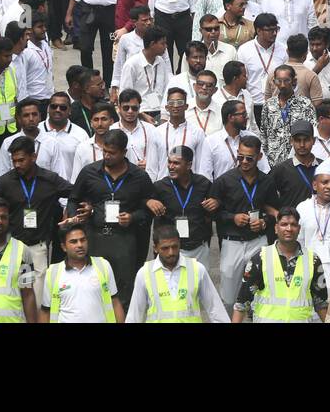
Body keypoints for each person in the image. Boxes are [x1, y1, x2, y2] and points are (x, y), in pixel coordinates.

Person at [66, 128, 154, 310]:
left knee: (124, 291)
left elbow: (148, 210)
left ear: (124, 152)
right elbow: (74, 199)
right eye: (104, 151)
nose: (107, 156)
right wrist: (78, 216)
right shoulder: (89, 172)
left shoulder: (140, 177)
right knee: (94, 286)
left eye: (112, 153)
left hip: (124, 240)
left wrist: (132, 217)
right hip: (95, 237)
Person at [0, 133, 72, 290]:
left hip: (38, 247)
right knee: (10, 290)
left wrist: (76, 210)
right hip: (11, 245)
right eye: (14, 161)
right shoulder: (5, 182)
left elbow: (74, 192)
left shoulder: (49, 179)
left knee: (38, 294)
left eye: (21, 160)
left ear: (33, 157)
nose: (17, 165)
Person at [210, 134, 274, 307]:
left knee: (260, 293)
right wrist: (233, 218)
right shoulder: (224, 181)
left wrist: (264, 222)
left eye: (249, 158)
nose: (244, 161)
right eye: (240, 157)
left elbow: (274, 211)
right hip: (232, 243)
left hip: (258, 241)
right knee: (229, 296)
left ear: (259, 157)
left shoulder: (267, 181)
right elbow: (214, 213)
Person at [232, 208, 327, 322]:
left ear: (299, 229)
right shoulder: (260, 258)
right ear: (276, 228)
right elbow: (242, 303)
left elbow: (321, 304)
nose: (289, 229)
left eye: (293, 225)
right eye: (284, 224)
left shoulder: (313, 260)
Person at [127, 222, 230, 322]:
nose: (171, 252)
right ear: (155, 248)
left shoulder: (197, 269)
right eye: (165, 248)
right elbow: (134, 315)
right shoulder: (144, 273)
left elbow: (216, 310)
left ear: (179, 245)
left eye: (174, 247)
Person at [40, 223, 124, 323]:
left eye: (83, 240)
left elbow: (115, 303)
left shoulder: (103, 265)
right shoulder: (52, 272)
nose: (80, 245)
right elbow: (45, 311)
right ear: (64, 247)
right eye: (73, 242)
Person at [148, 145, 217, 261]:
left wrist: (215, 203)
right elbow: (144, 208)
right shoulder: (159, 187)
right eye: (169, 162)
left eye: (176, 163)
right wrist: (148, 202)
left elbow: (213, 213)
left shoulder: (204, 184)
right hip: (170, 250)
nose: (171, 167)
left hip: (198, 248)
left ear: (189, 165)